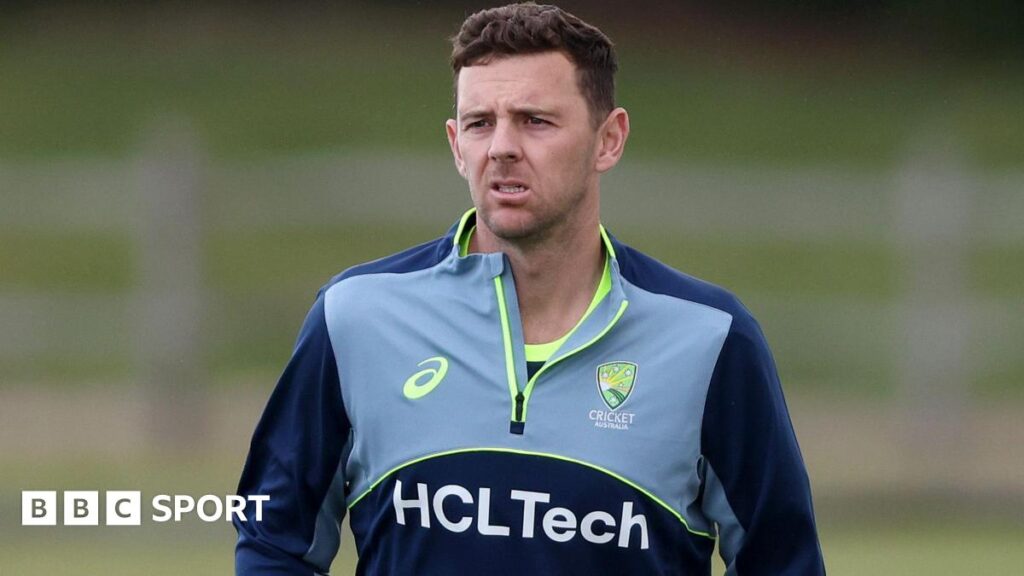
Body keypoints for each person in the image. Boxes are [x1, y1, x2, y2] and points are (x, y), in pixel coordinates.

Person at [234, 3, 825, 574]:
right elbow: (271, 537)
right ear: (456, 145)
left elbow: (783, 562)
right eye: (480, 123)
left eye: (535, 120)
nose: (502, 147)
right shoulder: (355, 317)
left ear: (608, 139)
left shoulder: (710, 339)